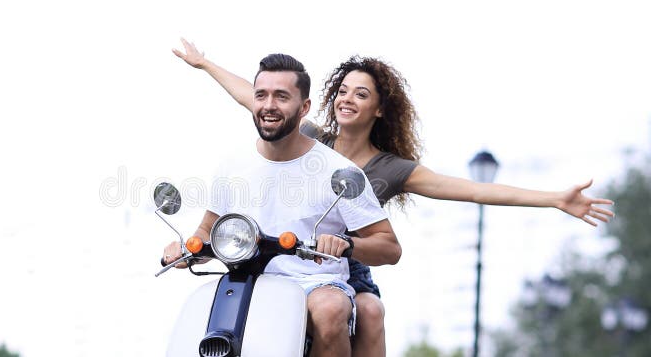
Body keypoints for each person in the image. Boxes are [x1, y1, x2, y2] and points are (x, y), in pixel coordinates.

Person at [171, 38, 615, 357]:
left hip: (342, 261)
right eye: (342, 90)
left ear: (379, 109)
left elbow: (475, 189)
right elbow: (260, 99)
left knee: (365, 309)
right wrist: (206, 65)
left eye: (361, 94)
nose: (347, 99)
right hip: (275, 258)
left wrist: (555, 198)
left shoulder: (388, 168)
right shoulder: (306, 136)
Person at [162, 53, 402, 357]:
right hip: (246, 281)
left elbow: (389, 247)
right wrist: (186, 251)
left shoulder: (338, 172)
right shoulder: (232, 165)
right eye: (261, 95)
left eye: (282, 96)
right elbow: (208, 230)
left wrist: (345, 244)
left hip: (315, 284)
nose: (269, 105)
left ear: (304, 108)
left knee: (330, 309)